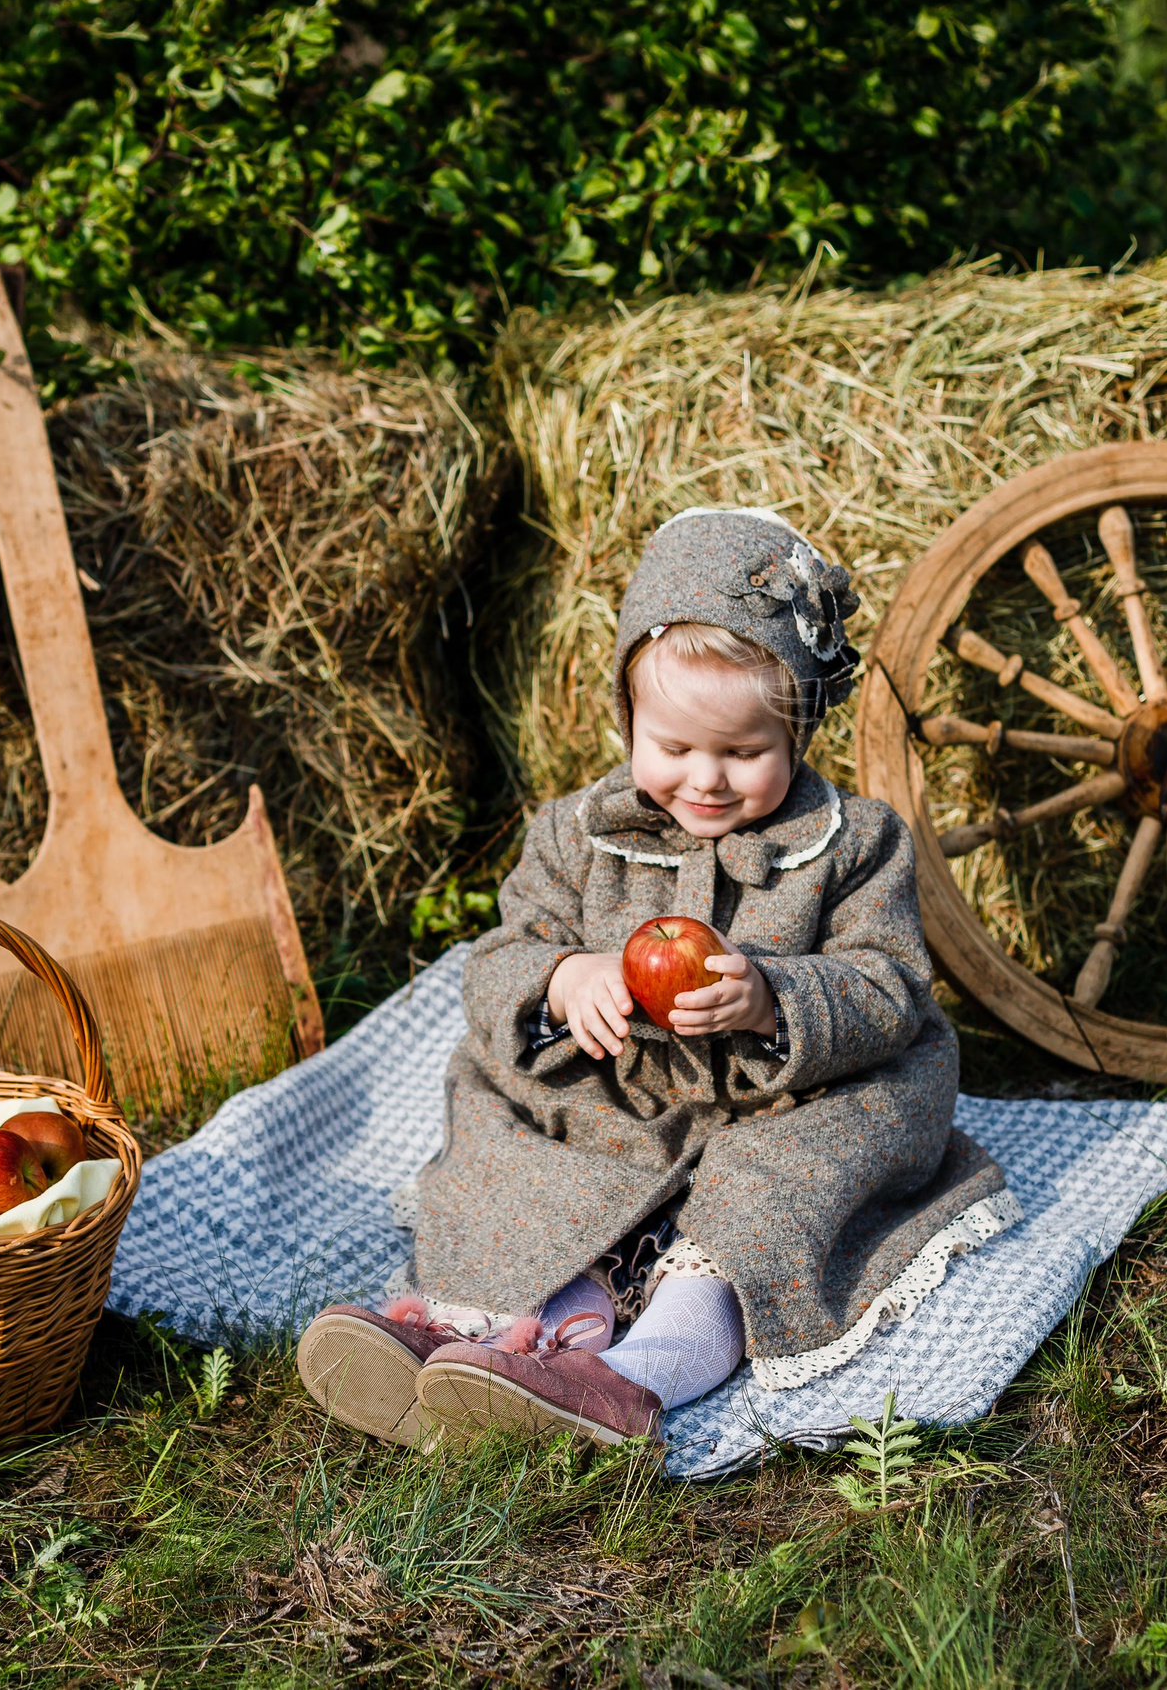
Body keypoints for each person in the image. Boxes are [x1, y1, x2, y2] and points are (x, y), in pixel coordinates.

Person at [296, 506, 1019, 1448]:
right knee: (502, 1116)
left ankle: (635, 1375)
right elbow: (499, 962)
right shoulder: (575, 834)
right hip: (623, 1096)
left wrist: (774, 997)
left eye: (744, 752)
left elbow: (889, 983)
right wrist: (564, 978)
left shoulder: (857, 842)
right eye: (674, 748)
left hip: (784, 1103)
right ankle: (499, 1323)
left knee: (781, 1185)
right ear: (627, 717)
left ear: (798, 732)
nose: (707, 780)